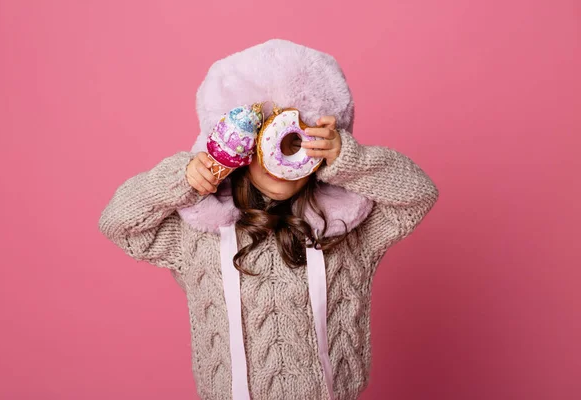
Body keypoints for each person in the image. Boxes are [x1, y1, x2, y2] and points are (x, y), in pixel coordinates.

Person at [99, 39, 439, 400]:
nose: (278, 159)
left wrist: (348, 159)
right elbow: (118, 223)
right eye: (261, 142)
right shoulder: (199, 236)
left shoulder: (349, 231)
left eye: (295, 142)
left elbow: (418, 194)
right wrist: (182, 177)